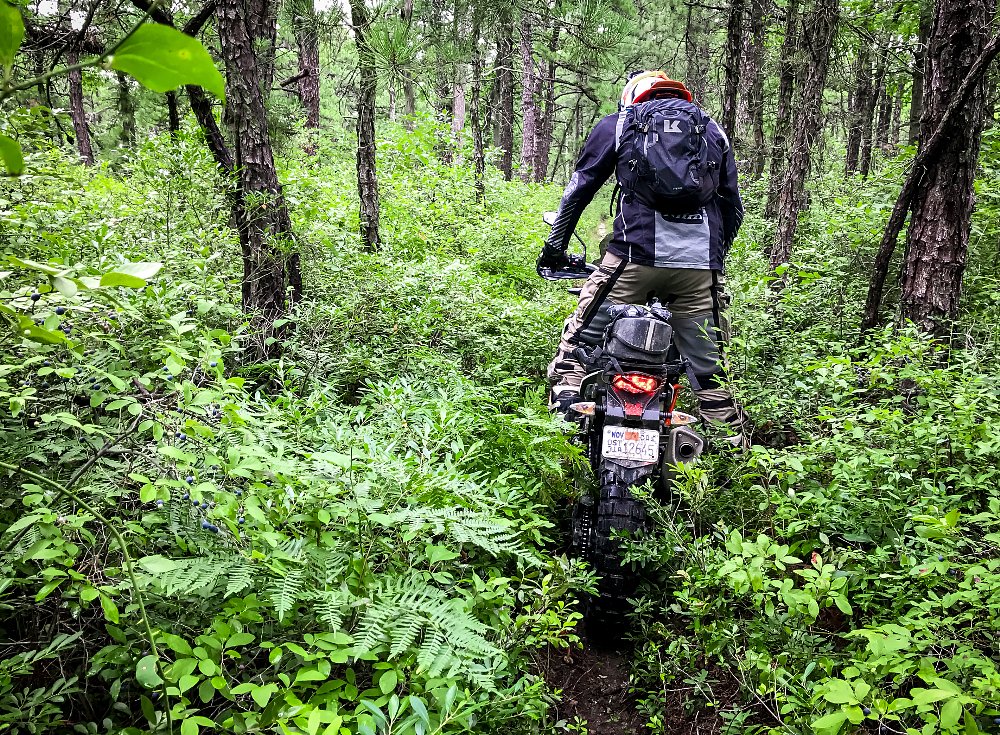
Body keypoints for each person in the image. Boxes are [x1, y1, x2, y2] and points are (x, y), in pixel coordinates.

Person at [538, 70, 750, 447]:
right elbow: (733, 207)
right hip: (699, 273)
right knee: (712, 375)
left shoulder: (619, 124)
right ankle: (735, 471)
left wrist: (554, 249)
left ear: (631, 97)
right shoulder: (713, 131)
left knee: (576, 351)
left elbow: (579, 191)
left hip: (631, 265)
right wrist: (712, 263)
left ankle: (561, 438)